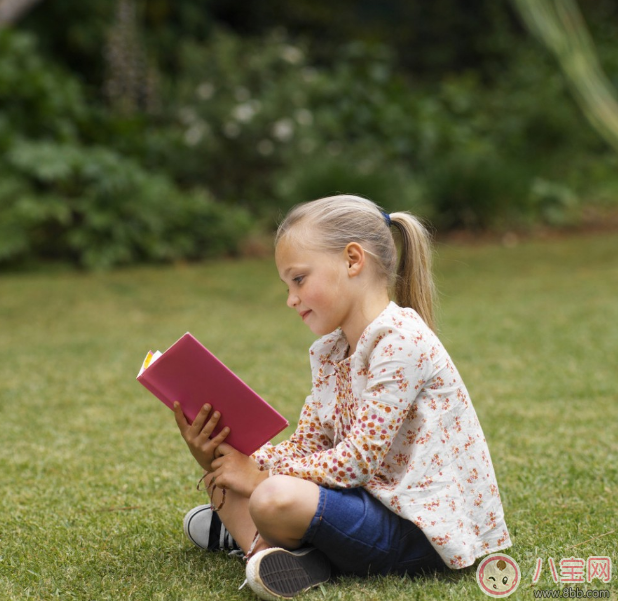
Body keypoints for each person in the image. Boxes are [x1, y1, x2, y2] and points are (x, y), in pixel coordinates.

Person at [174, 195, 511, 600]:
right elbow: (307, 445)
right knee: (230, 472)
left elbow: (355, 461)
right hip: (362, 507)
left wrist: (258, 477)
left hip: (415, 529)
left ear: (353, 260)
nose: (291, 299)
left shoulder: (400, 340)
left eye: (298, 279)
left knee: (272, 496)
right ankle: (279, 554)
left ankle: (258, 540)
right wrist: (227, 457)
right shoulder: (332, 351)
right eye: (287, 285)